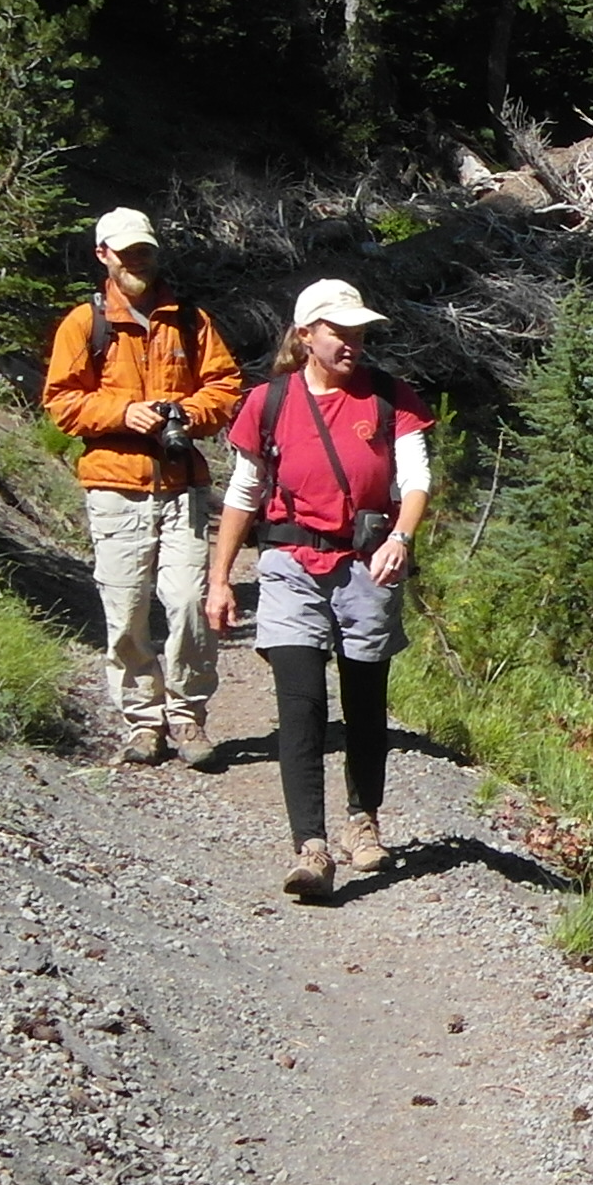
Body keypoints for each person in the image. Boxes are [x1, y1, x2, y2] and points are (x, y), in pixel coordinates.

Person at [205, 280, 433, 903]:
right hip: (288, 564)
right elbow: (243, 493)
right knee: (300, 704)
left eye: (359, 332)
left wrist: (401, 539)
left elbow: (415, 479)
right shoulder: (268, 402)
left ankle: (364, 818)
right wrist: (220, 578)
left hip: (368, 564)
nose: (352, 342)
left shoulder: (390, 398)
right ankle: (310, 845)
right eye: (339, 331)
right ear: (306, 335)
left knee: (364, 699)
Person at [41, 208, 247, 768]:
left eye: (145, 252)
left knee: (185, 603)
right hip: (114, 485)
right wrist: (121, 413)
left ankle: (187, 717)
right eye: (126, 253)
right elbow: (60, 400)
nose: (137, 263)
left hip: (181, 484)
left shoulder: (189, 321)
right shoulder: (84, 324)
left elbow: (226, 386)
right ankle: (141, 720)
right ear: (103, 255)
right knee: (126, 608)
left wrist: (186, 412)